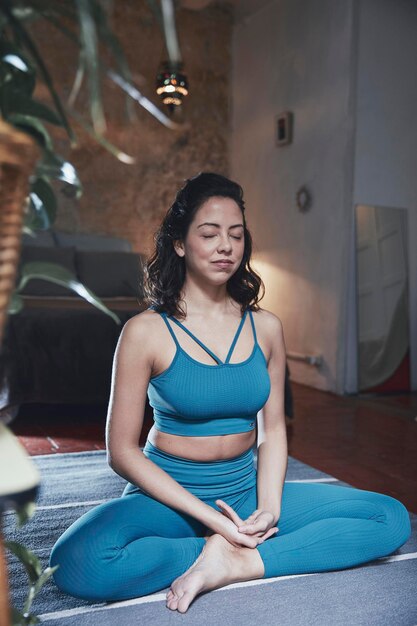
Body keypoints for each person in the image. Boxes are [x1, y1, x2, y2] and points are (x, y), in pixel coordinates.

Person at [50, 172, 411, 614]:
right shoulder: (144, 332)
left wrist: (270, 510)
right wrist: (215, 523)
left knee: (388, 518)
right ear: (180, 243)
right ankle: (209, 549)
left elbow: (273, 430)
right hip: (169, 496)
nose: (226, 246)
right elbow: (121, 452)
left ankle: (238, 563)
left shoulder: (266, 327)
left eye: (236, 235)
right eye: (210, 233)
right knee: (76, 561)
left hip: (244, 490)